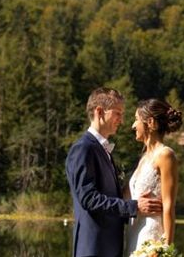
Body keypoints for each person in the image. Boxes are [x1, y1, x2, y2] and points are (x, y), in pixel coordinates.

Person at [66, 88, 163, 257]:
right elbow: (88, 199)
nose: (122, 120)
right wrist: (134, 206)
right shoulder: (83, 149)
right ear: (99, 112)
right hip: (93, 249)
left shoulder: (103, 151)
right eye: (118, 113)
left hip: (109, 248)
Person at [124, 98, 182, 255]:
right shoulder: (144, 158)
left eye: (136, 120)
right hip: (134, 233)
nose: (133, 125)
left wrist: (165, 250)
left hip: (152, 236)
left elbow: (169, 206)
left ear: (150, 122)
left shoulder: (165, 155)